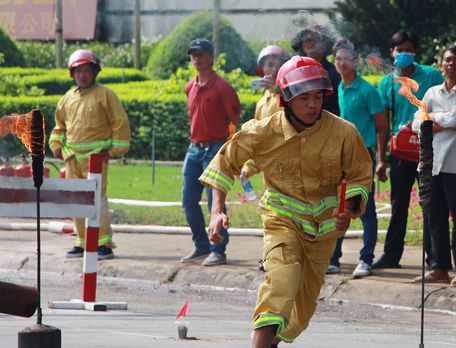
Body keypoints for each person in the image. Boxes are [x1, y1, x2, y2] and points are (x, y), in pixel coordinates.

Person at [199, 56, 372, 347]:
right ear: (285, 98)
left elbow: (360, 176)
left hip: (323, 233)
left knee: (299, 315)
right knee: (281, 280)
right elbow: (224, 164)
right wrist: (216, 212)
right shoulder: (260, 131)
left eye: (318, 96)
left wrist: (350, 209)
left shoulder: (344, 133)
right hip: (281, 221)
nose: (313, 104)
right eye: (304, 97)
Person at [49, 49, 131, 260]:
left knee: (97, 201)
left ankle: (103, 244)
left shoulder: (106, 95)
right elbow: (59, 128)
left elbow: (120, 124)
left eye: (86, 70)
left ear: (94, 72)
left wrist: (113, 152)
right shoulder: (66, 99)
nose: (82, 75)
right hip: (73, 160)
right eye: (78, 71)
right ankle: (83, 241)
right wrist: (56, 145)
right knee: (74, 200)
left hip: (96, 160)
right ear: (72, 74)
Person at [373, 30, 444, 269]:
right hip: (401, 152)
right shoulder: (387, 82)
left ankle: (434, 258)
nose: (403, 54)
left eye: (408, 49)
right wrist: (381, 160)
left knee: (431, 204)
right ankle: (392, 255)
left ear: (415, 52)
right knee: (399, 204)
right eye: (399, 50)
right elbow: (382, 125)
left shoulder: (432, 75)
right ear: (391, 53)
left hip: (429, 149)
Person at [327, 40, 388, 277]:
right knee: (340, 204)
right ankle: (334, 258)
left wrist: (382, 160)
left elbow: (382, 127)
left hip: (364, 156)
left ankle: (366, 259)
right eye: (338, 58)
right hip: (343, 155)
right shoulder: (340, 87)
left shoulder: (367, 91)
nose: (341, 62)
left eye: (346, 58)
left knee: (366, 207)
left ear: (355, 62)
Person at [180, 38, 241, 266]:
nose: (196, 58)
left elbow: (234, 118)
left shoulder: (222, 87)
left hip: (215, 148)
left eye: (201, 54)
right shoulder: (190, 86)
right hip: (194, 148)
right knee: (188, 200)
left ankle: (218, 249)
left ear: (211, 58)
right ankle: (201, 246)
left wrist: (227, 149)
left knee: (214, 202)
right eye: (193, 55)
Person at [411, 45, 456, 286]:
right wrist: (440, 121)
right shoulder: (432, 93)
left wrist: (434, 119)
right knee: (434, 217)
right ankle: (439, 267)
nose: (450, 64)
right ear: (441, 65)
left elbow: (454, 118)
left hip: (454, 166)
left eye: (454, 60)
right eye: (447, 60)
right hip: (434, 165)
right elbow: (416, 123)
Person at [241, 45, 288, 181]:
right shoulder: (262, 103)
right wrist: (249, 167)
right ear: (263, 69)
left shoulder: (290, 94)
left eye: (278, 65)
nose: (274, 70)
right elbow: (258, 139)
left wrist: (275, 87)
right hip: (270, 169)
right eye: (270, 65)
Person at [291, 24, 341, 115]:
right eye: (308, 40)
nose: (311, 44)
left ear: (325, 45)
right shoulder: (296, 71)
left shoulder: (335, 73)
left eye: (316, 40)